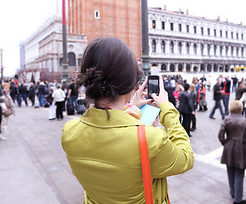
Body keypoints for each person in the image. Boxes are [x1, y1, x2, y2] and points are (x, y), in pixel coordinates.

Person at [61, 37, 194, 204]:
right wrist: (167, 109)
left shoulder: (70, 131)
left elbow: (107, 125)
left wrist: (128, 105)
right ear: (132, 83)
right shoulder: (149, 139)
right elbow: (185, 158)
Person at [218, 100, 246, 204]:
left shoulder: (227, 119)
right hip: (241, 147)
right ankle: (238, 199)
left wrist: (225, 142)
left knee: (230, 170)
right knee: (239, 173)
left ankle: (233, 192)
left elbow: (221, 134)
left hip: (229, 146)